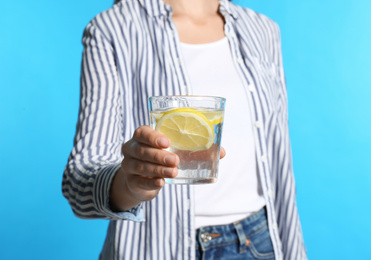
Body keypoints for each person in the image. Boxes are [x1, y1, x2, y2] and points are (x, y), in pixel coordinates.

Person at [62, 0, 307, 259]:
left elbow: (281, 166)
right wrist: (130, 185)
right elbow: (78, 181)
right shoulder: (112, 28)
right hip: (157, 249)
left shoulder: (262, 29)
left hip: (257, 243)